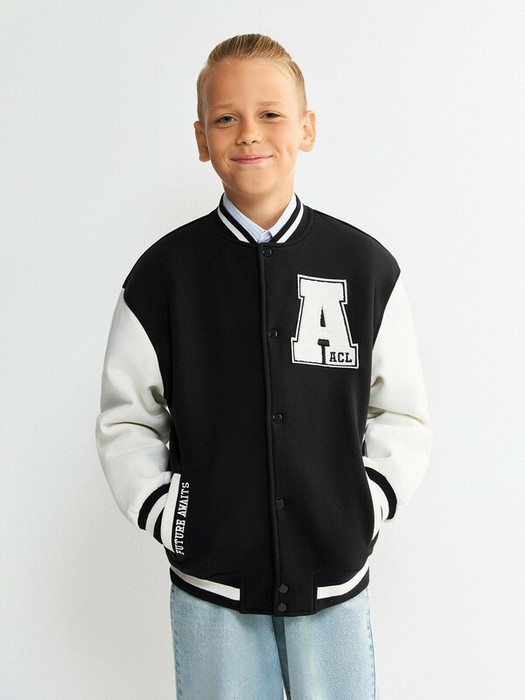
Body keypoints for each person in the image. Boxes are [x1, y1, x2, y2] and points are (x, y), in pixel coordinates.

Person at [96, 33, 432, 700]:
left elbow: (400, 411)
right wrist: (171, 514)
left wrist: (364, 503)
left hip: (331, 575)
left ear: (306, 128)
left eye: (271, 113)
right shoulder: (165, 275)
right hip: (212, 583)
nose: (249, 132)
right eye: (226, 117)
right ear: (201, 138)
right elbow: (126, 417)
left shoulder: (363, 267)